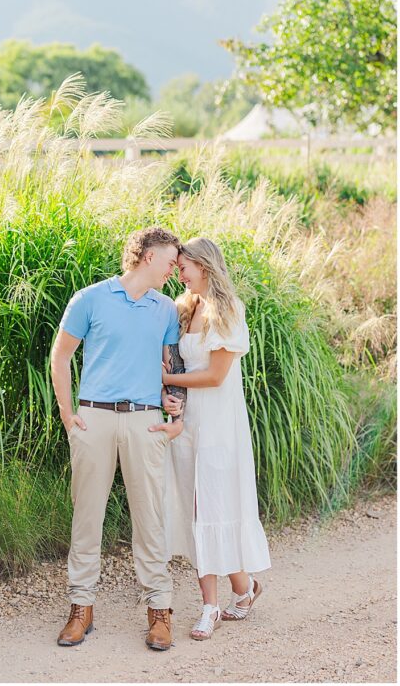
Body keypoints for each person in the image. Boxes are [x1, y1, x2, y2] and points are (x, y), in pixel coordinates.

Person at [50, 226, 185, 651]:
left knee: (151, 518)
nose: (173, 269)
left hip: (145, 421)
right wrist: (68, 414)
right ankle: (80, 607)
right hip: (94, 419)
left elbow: (173, 366)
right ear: (147, 256)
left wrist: (176, 406)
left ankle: (159, 611)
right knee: (87, 516)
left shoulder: (166, 309)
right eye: (169, 261)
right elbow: (61, 355)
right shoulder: (90, 299)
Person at [161, 237, 271, 641]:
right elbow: (171, 357)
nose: (179, 273)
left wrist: (167, 379)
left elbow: (214, 376)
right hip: (186, 424)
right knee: (195, 511)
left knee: (214, 508)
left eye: (184, 266)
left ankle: (231, 595)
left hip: (220, 426)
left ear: (204, 266)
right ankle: (224, 598)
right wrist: (170, 397)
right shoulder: (183, 306)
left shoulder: (228, 310)